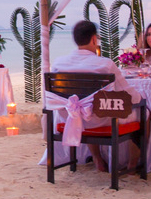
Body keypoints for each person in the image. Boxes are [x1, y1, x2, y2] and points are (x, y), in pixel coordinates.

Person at [51, 20, 141, 171]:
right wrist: (140, 100)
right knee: (144, 113)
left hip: (70, 118)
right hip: (102, 121)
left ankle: (98, 159)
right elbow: (130, 96)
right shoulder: (104, 64)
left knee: (90, 109)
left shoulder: (59, 63)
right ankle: (132, 165)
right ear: (94, 39)